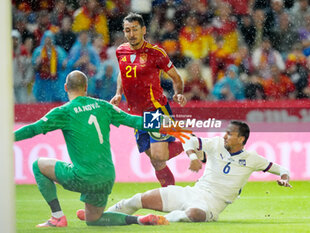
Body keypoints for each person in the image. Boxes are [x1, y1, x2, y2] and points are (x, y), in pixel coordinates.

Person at [14, 70, 187, 227]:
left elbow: (33, 129)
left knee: (38, 165)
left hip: (83, 176)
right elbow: (135, 121)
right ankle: (138, 220)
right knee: (94, 220)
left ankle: (57, 217)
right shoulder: (104, 106)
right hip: (106, 177)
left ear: (66, 87)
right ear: (86, 87)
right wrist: (165, 122)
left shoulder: (64, 111)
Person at [77, 121, 292, 222]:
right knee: (139, 199)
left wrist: (283, 178)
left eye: (230, 134)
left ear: (241, 139)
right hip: (192, 192)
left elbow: (282, 169)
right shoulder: (216, 144)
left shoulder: (252, 159)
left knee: (195, 214)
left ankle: (162, 220)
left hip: (211, 205)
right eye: (225, 133)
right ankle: (99, 217)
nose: (225, 136)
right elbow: (190, 139)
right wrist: (192, 156)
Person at [110, 13, 188, 187]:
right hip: (136, 114)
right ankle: (170, 196)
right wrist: (118, 93)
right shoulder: (120, 51)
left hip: (156, 109)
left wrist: (179, 93)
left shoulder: (155, 53)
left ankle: (195, 143)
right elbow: (122, 74)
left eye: (135, 30)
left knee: (159, 155)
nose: (131, 34)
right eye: (127, 30)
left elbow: (176, 77)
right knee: (155, 160)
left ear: (143, 30)